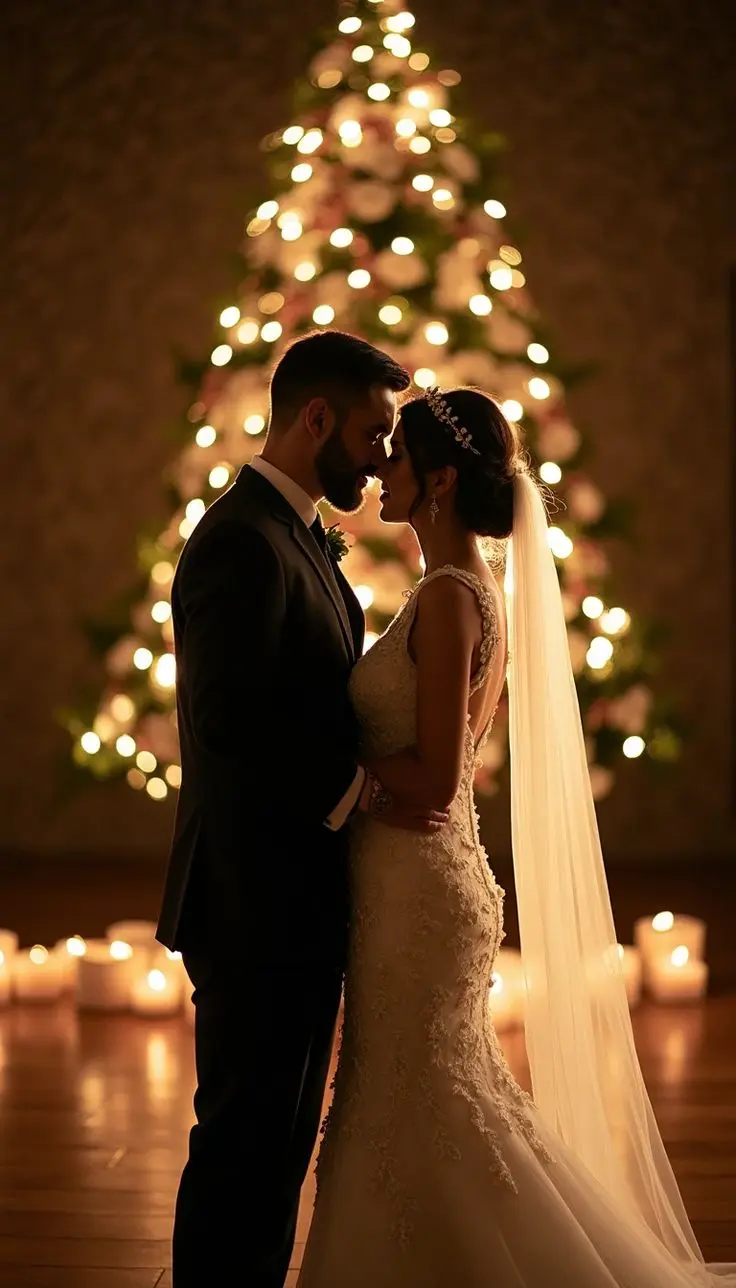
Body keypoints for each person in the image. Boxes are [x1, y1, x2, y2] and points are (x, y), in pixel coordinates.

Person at [297, 387, 736, 1287]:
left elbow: (436, 780)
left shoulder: (451, 600)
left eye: (399, 456)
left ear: (442, 482)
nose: (380, 467)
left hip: (418, 885)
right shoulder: (458, 590)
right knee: (422, 1100)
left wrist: (344, 784)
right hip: (421, 876)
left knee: (420, 1102)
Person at [155, 331, 450, 1288]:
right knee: (242, 1139)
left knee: (276, 1148)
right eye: (370, 432)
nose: (380, 454)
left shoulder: (295, 535)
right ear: (315, 418)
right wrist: (359, 789)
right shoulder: (239, 541)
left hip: (295, 893)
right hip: (249, 898)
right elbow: (228, 719)